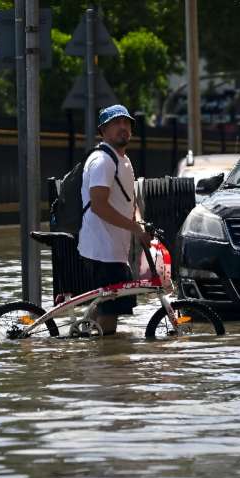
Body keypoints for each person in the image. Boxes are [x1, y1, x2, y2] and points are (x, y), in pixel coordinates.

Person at [78, 104, 151, 335]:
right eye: (116, 123)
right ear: (103, 130)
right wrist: (135, 229)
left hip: (114, 250)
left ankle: (83, 339)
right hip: (101, 250)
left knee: (105, 305)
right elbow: (99, 205)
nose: (123, 127)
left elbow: (130, 201)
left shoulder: (124, 161)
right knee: (110, 313)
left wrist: (139, 224)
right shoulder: (103, 161)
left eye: (126, 122)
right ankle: (106, 355)